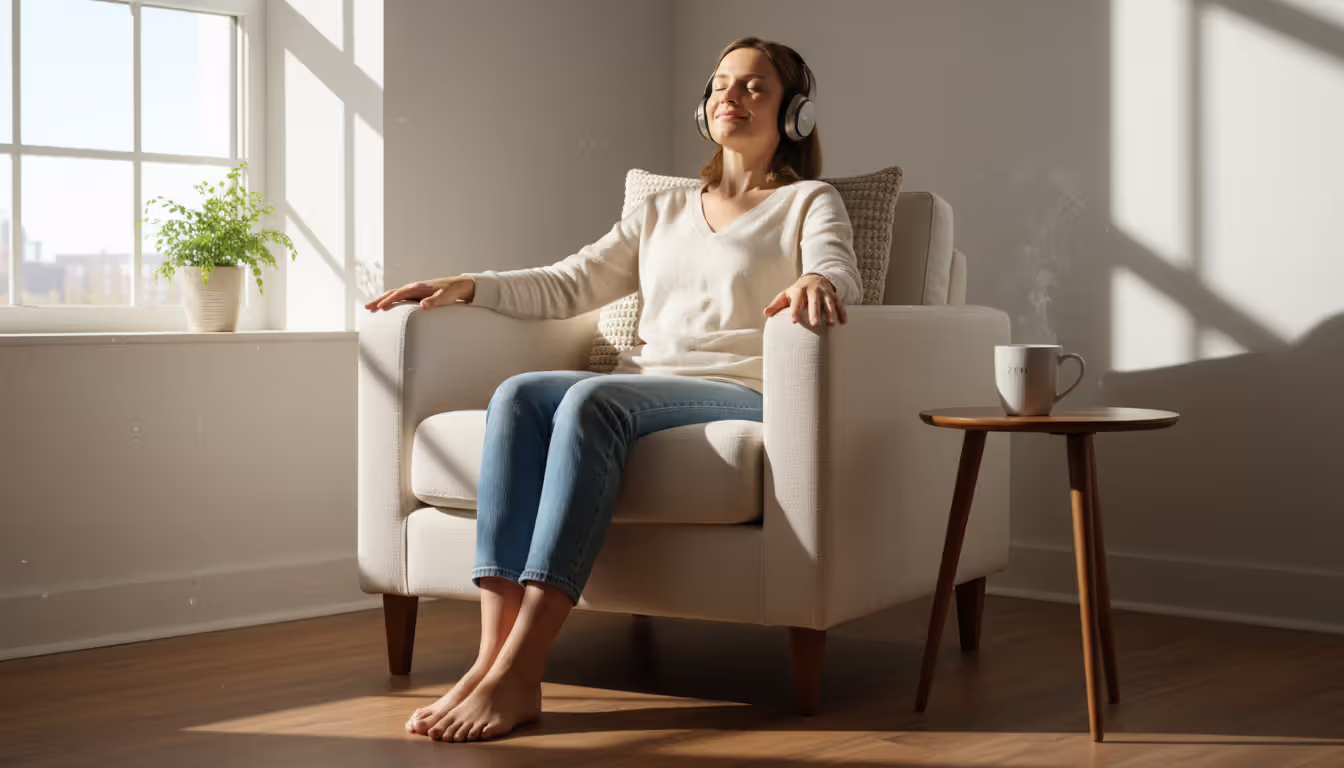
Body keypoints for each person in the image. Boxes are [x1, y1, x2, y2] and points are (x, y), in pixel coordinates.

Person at [364, 36, 862, 743]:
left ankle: (524, 668)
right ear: (704, 105)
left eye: (755, 86)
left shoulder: (808, 201)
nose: (732, 95)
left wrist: (818, 278)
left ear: (794, 113)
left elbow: (840, 271)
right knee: (520, 395)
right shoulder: (664, 210)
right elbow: (570, 282)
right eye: (722, 83)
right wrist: (470, 285)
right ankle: (491, 661)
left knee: (591, 400)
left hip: (740, 389)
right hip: (648, 387)